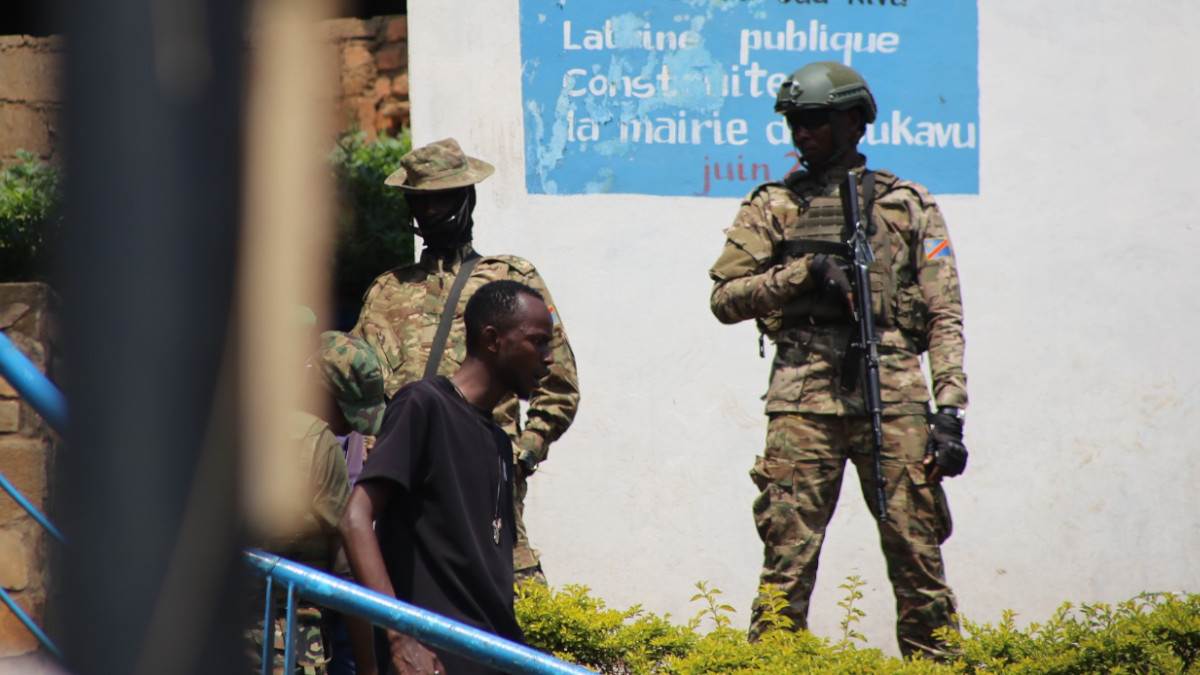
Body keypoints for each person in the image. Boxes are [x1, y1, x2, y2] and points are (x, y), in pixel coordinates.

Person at [706, 61, 969, 659]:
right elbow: (724, 298)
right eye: (795, 122)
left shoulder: (907, 205)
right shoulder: (775, 205)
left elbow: (944, 313)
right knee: (786, 569)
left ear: (855, 120)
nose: (803, 133)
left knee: (919, 561)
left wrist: (949, 412)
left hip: (895, 399)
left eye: (817, 121)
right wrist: (804, 273)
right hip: (803, 401)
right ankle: (772, 670)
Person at [352, 138, 579, 584]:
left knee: (508, 603)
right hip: (406, 498)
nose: (430, 211)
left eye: (441, 199)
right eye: (421, 201)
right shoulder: (386, 292)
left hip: (484, 489)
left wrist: (521, 455)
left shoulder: (508, 280)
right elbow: (355, 389)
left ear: (465, 199)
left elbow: (559, 384)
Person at [339, 280, 554, 675]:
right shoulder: (423, 405)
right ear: (493, 339)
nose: (549, 357)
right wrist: (399, 637)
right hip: (430, 662)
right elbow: (355, 517)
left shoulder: (499, 443)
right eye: (538, 342)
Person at [248, 329, 386, 674]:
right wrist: (369, 667)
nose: (349, 428)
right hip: (284, 642)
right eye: (345, 412)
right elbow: (346, 570)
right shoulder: (316, 441)